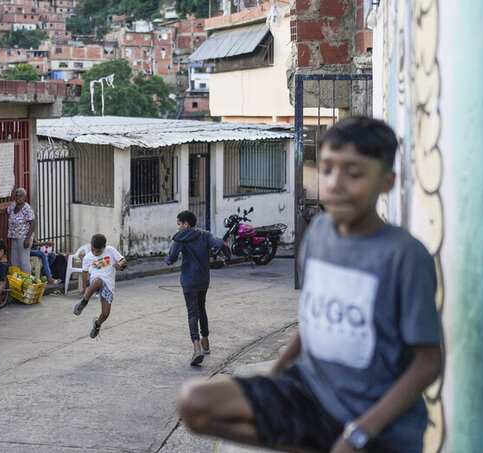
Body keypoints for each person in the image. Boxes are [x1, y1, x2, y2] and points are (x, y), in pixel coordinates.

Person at [176, 117, 443, 453]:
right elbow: (312, 323)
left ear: (387, 182)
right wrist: (275, 376)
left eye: (355, 173)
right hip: (309, 394)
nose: (337, 183)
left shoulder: (404, 256)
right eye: (327, 169)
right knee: (194, 402)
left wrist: (360, 432)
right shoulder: (318, 235)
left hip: (374, 421)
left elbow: (428, 361)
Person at [166, 210, 233, 366]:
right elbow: (220, 244)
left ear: (186, 224)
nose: (178, 228)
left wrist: (168, 259)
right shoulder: (205, 234)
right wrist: (226, 257)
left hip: (189, 281)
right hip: (203, 280)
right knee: (201, 308)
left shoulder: (181, 238)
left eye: (179, 224)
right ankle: (206, 341)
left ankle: (197, 348)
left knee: (192, 313)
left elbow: (171, 258)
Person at [72, 234, 126, 339]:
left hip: (109, 285)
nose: (95, 253)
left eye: (99, 251)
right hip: (96, 280)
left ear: (104, 247)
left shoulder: (110, 250)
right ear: (91, 247)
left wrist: (120, 264)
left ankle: (97, 324)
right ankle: (83, 302)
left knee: (106, 313)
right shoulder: (88, 257)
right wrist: (84, 287)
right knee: (98, 281)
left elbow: (123, 260)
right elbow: (84, 273)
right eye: (93, 250)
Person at [7, 187, 36, 275]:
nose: (18, 198)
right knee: (14, 260)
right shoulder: (13, 205)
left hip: (23, 238)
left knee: (24, 262)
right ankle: (18, 282)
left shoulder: (27, 209)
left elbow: (33, 223)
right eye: (16, 196)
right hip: (14, 236)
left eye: (20, 196)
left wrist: (27, 239)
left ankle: (27, 282)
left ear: (25, 197)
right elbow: (6, 211)